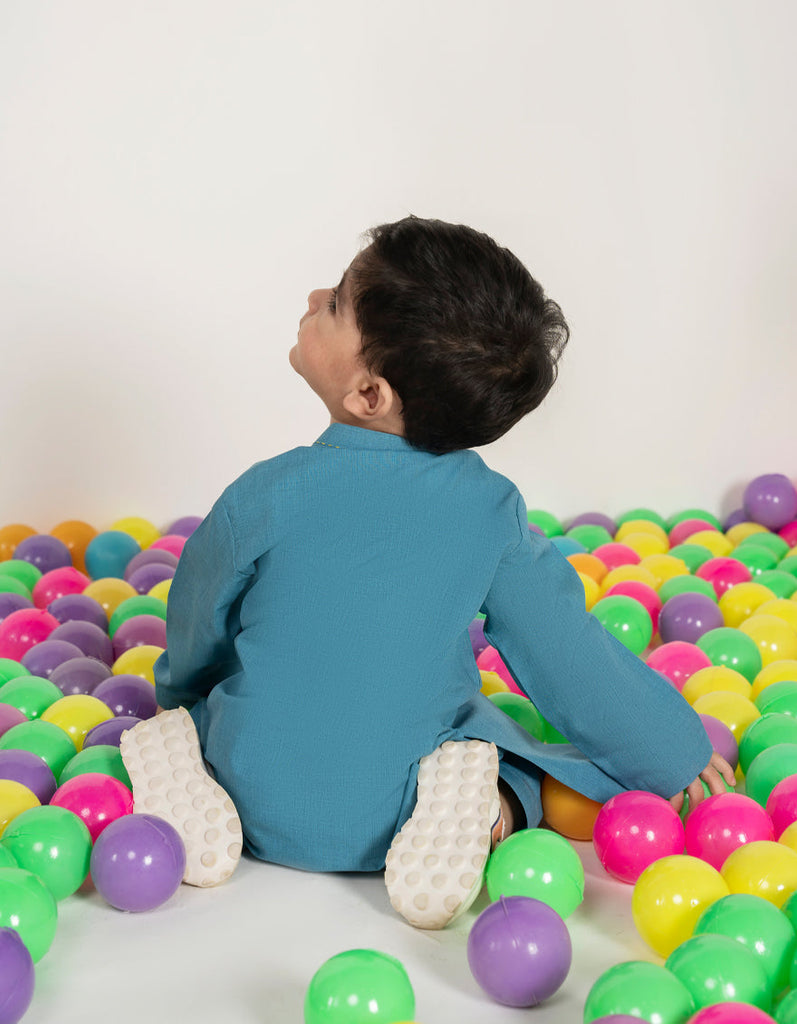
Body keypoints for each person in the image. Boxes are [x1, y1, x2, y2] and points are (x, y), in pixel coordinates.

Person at [120, 215, 734, 930]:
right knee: (512, 753)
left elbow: (200, 619)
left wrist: (183, 695)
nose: (314, 297)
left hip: (248, 789)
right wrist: (671, 752)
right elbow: (565, 652)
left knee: (218, 713)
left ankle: (188, 762)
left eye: (336, 303)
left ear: (369, 395)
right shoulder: (489, 509)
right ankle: (491, 812)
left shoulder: (265, 494)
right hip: (400, 799)